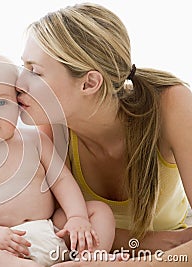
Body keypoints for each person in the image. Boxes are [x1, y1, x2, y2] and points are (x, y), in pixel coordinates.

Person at [14, 1, 192, 264]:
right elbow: (56, 232)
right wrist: (159, 242)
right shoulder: (48, 131)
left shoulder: (171, 104)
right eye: (23, 68)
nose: (19, 82)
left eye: (34, 71)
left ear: (89, 83)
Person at [0, 53, 115, 267]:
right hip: (2, 244)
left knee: (99, 211)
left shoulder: (35, 139)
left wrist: (77, 217)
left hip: (53, 230)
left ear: (18, 103)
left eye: (0, 102)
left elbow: (61, 179)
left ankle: (88, 259)